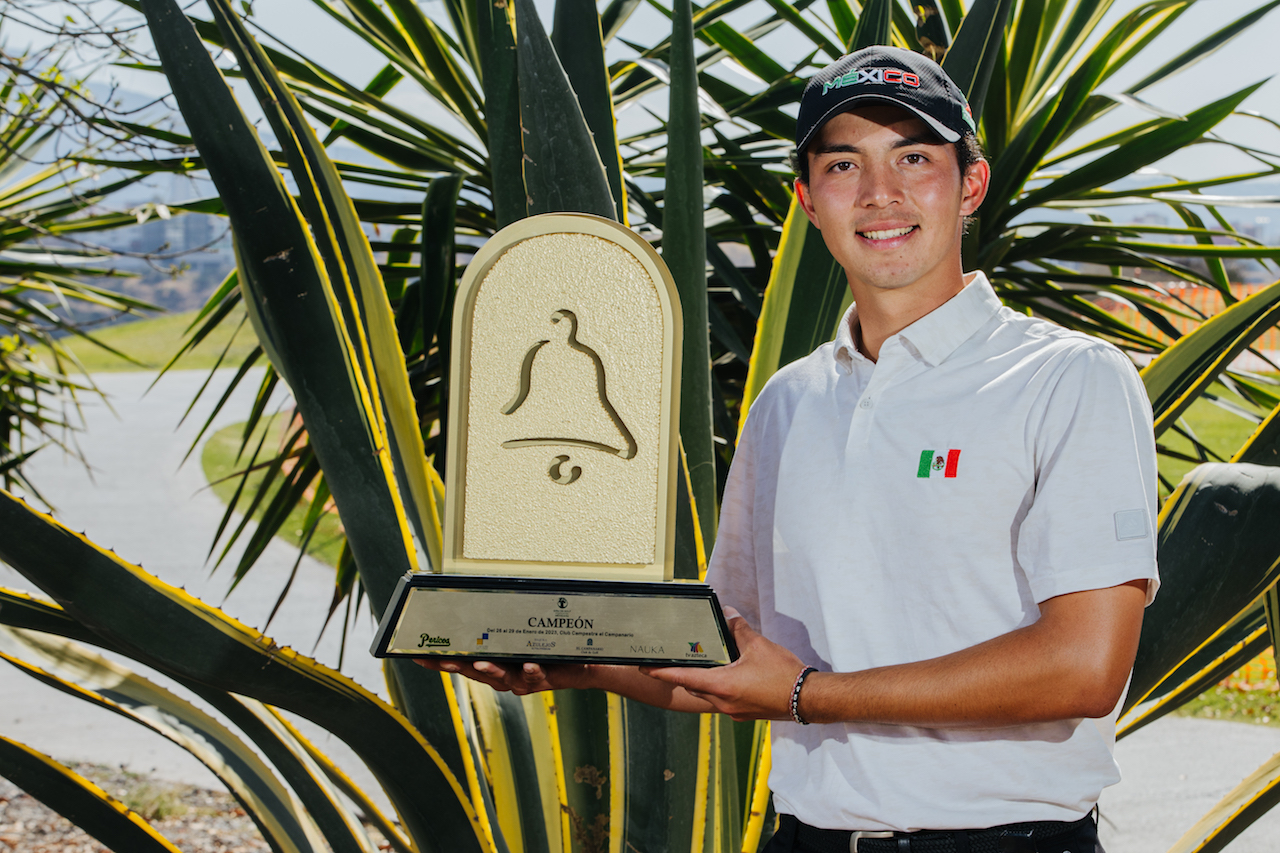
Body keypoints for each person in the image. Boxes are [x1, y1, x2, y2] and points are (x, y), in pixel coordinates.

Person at [420, 46, 1159, 853]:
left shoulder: (1068, 378)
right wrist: (558, 657)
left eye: (914, 156)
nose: (882, 193)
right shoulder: (789, 403)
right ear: (808, 199)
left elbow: (1084, 666)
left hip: (1001, 840)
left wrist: (808, 693)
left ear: (969, 184)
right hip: (805, 838)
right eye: (845, 163)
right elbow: (729, 659)